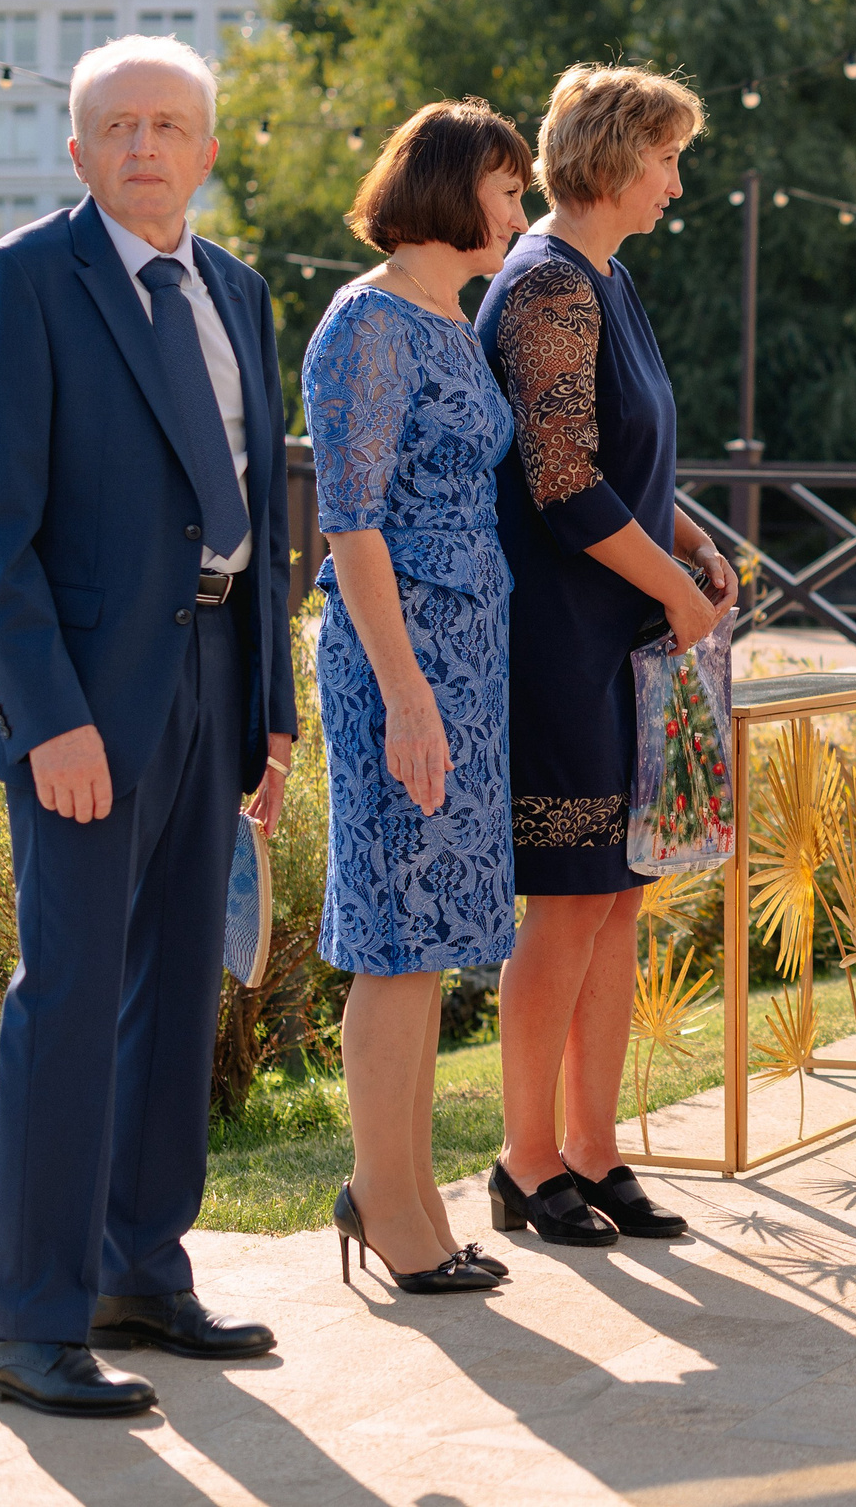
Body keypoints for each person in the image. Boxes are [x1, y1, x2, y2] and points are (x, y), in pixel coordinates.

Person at [0, 35, 294, 1415]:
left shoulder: (238, 290)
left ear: (206, 149)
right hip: (85, 702)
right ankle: (26, 1323)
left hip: (215, 672)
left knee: (176, 988)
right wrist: (50, 720)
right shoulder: (23, 280)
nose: (144, 144)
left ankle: (138, 1269)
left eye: (167, 124)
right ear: (80, 149)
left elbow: (263, 514)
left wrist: (269, 709)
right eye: (118, 126)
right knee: (73, 998)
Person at [477, 64, 737, 1245]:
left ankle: (592, 1149)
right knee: (570, 903)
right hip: (560, 640)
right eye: (667, 160)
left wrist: (696, 544)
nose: (676, 185)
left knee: (618, 898)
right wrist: (676, 590)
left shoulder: (608, 278)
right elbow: (564, 482)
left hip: (619, 634)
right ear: (615, 156)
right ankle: (524, 1160)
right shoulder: (546, 282)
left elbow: (628, 464)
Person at [304, 101, 536, 1296]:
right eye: (507, 190)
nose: (520, 212)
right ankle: (384, 1197)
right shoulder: (368, 322)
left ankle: (407, 1189)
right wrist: (405, 693)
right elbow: (351, 524)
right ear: (451, 189)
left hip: (465, 661)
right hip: (400, 664)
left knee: (433, 936)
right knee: (397, 932)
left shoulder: (448, 318)